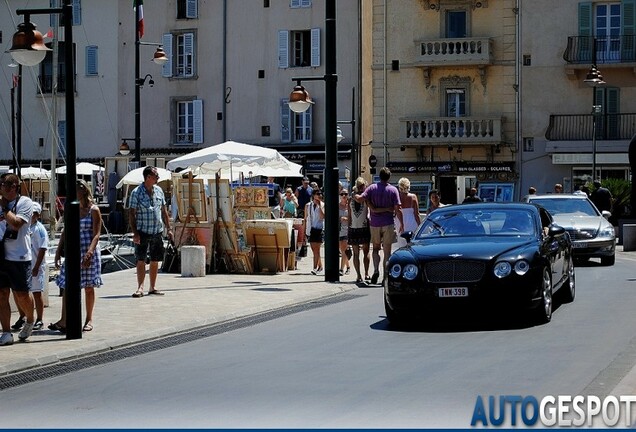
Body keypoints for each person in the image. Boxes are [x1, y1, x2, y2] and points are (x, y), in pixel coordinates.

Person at [50, 179, 103, 333]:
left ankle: (88, 319)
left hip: (88, 249)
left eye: (76, 189)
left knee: (88, 287)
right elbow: (66, 230)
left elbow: (97, 234)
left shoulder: (94, 210)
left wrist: (90, 252)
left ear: (84, 190)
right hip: (73, 251)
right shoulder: (71, 207)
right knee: (67, 285)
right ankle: (64, 319)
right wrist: (59, 250)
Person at [0, 174, 35, 345]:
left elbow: (16, 224)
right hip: (1, 255)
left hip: (19, 256)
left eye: (9, 184)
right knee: (2, 294)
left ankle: (30, 318)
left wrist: (4, 208)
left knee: (21, 295)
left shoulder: (25, 203)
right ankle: (6, 332)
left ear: (16, 186)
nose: (5, 188)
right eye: (3, 184)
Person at [129, 166, 174, 298]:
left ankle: (152, 287)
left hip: (157, 230)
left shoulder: (159, 191)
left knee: (155, 259)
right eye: (156, 176)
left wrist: (169, 229)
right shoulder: (136, 192)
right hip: (142, 230)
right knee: (141, 259)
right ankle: (140, 287)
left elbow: (164, 212)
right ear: (148, 177)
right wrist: (135, 233)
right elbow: (132, 214)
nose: (158, 178)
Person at [354, 167, 402, 284]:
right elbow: (397, 208)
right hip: (388, 222)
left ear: (379, 176)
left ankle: (375, 269)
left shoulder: (372, 188)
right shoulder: (393, 190)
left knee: (375, 248)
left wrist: (355, 195)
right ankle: (385, 276)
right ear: (389, 177)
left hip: (375, 223)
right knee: (387, 251)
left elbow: (360, 199)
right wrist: (402, 223)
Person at [12, 202, 47, 332]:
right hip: (22, 264)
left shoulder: (40, 229)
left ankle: (39, 319)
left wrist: (37, 266)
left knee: (37, 292)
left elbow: (43, 248)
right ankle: (23, 316)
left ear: (37, 215)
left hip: (35, 266)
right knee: (17, 292)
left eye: (33, 214)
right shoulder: (24, 227)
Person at [348, 177, 371, 284]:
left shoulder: (351, 198)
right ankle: (364, 274)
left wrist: (349, 226)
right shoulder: (365, 198)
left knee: (357, 253)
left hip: (354, 227)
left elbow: (349, 215)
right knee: (365, 251)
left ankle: (360, 275)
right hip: (363, 226)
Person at [395, 178, 422, 249]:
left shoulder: (396, 197)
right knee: (412, 244)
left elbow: (395, 211)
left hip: (399, 221)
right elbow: (416, 214)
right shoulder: (413, 197)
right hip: (411, 221)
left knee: (401, 244)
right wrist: (420, 226)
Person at [304, 188, 324, 275]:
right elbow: (305, 219)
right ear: (313, 195)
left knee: (317, 250)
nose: (319, 195)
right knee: (314, 250)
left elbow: (322, 217)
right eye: (317, 194)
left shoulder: (323, 204)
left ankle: (315, 268)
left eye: (320, 194)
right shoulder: (308, 205)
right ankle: (320, 266)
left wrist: (320, 206)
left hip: (319, 229)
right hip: (311, 229)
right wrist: (304, 232)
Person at [338, 189, 351, 276]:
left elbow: (353, 218)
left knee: (344, 249)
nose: (344, 196)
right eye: (342, 194)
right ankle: (348, 267)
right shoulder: (337, 206)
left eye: (345, 194)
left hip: (347, 230)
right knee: (342, 249)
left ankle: (341, 269)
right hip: (339, 230)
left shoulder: (349, 206)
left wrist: (346, 219)